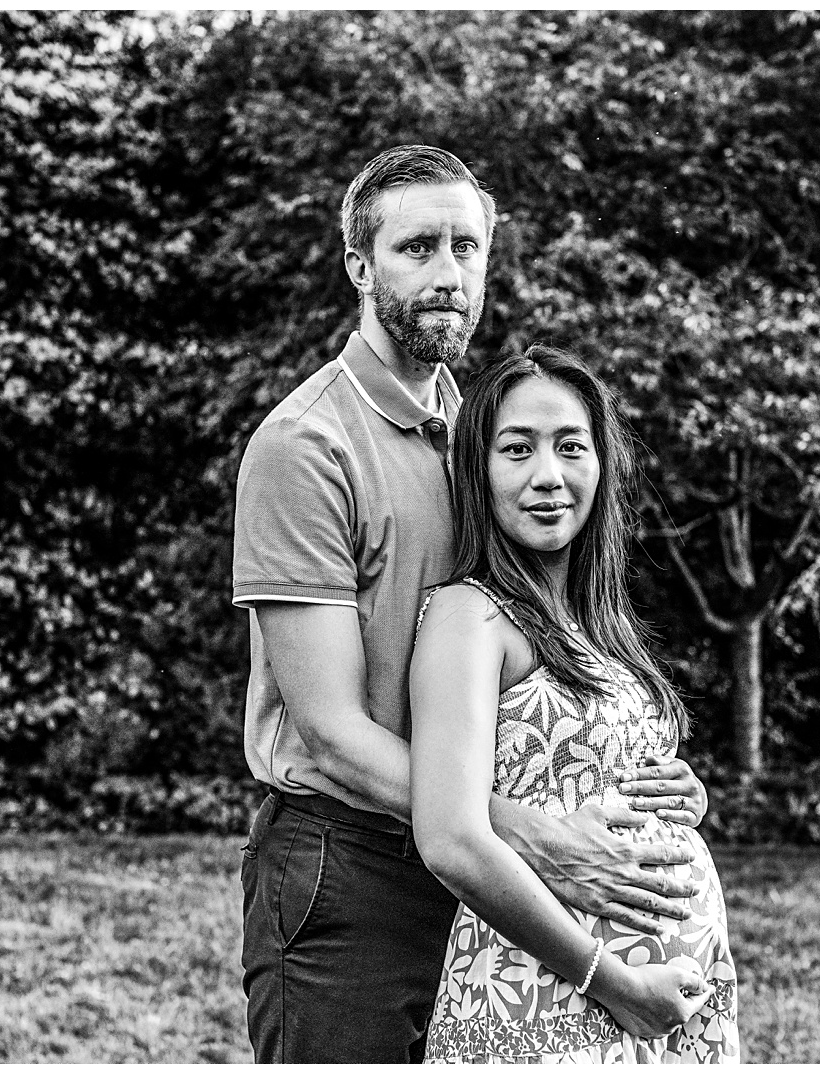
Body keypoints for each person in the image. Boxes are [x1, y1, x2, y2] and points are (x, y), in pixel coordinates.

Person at [231, 145, 714, 1063]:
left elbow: (529, 655)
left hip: (481, 875)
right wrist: (523, 832)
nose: (449, 274)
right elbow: (331, 729)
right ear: (360, 266)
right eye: (418, 248)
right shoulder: (306, 445)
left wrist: (636, 783)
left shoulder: (482, 435)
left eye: (468, 247)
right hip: (352, 868)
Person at [410, 345, 741, 1063]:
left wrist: (681, 800)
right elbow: (451, 841)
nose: (548, 476)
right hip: (548, 997)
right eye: (517, 449)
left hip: (654, 1008)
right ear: (478, 471)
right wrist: (613, 980)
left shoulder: (594, 619)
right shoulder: (471, 616)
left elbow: (582, 769)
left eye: (570, 447)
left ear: (601, 463)